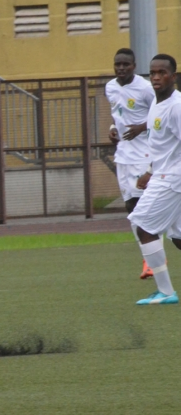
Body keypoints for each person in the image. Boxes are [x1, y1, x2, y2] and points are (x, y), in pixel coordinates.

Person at [127, 54, 181, 305]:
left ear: (174, 76)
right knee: (179, 239)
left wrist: (160, 173)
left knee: (145, 228)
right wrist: (150, 170)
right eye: (153, 73)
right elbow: (162, 146)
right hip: (164, 174)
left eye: (162, 72)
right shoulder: (157, 103)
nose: (156, 77)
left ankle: (166, 293)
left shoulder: (177, 106)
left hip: (172, 178)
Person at [105, 48, 156, 279]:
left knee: (145, 210)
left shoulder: (145, 88)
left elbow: (160, 114)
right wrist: (113, 129)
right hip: (123, 156)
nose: (121, 68)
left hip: (144, 155)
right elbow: (117, 115)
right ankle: (148, 257)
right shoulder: (110, 87)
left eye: (126, 64)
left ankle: (152, 259)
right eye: (118, 64)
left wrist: (141, 127)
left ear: (134, 66)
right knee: (131, 210)